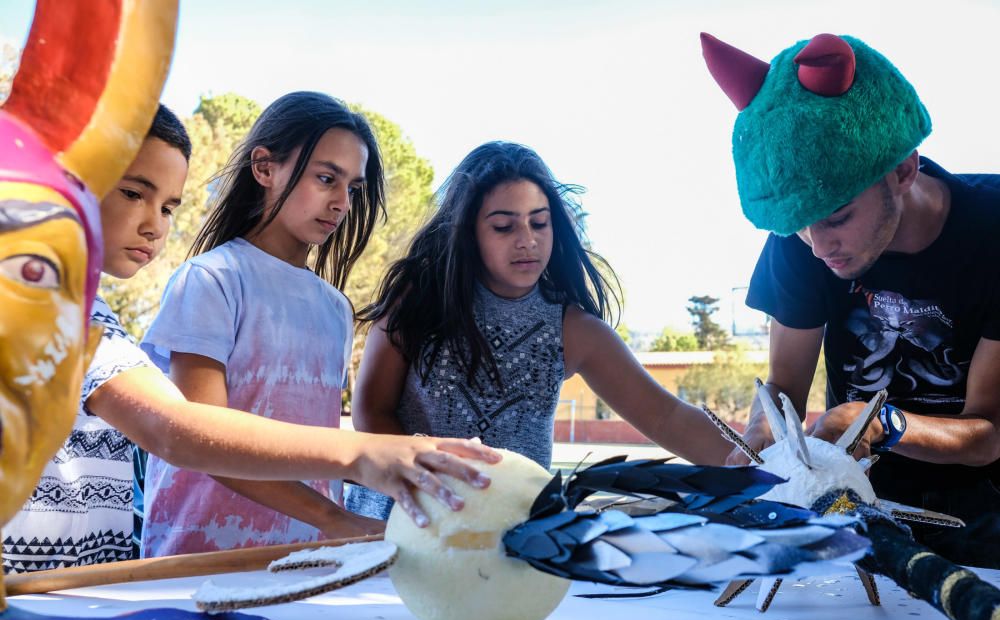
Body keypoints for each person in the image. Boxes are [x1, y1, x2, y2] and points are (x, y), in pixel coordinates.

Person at [1, 105, 499, 574]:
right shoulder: (47, 302)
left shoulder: (84, 308)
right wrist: (362, 460)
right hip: (172, 570)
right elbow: (180, 430)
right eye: (134, 193)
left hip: (73, 595)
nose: (155, 225)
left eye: (170, 206)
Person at [702, 32, 1000, 566]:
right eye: (800, 228)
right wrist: (760, 438)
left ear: (904, 170)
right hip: (856, 499)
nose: (818, 248)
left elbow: (988, 433)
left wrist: (878, 422)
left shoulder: (993, 233)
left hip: (988, 505)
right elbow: (782, 390)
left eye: (838, 218)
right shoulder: (803, 240)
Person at [346, 141, 734, 519]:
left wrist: (766, 467)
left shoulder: (574, 329)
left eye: (539, 222)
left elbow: (666, 417)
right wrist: (428, 472)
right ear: (467, 233)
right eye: (503, 226)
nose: (527, 240)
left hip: (511, 539)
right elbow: (369, 411)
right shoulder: (417, 301)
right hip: (397, 528)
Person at [139, 92, 388, 557]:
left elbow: (315, 442)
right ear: (264, 168)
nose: (341, 202)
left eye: (352, 187)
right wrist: (336, 517)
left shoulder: (335, 308)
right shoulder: (212, 280)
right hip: (198, 564)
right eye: (326, 178)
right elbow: (203, 439)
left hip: (307, 564)